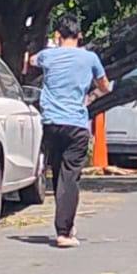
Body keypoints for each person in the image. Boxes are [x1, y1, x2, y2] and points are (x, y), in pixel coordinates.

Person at [29, 14, 109, 248]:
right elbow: (105, 86)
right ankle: (64, 231)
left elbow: (31, 60)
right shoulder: (90, 58)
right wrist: (91, 96)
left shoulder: (48, 56)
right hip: (76, 124)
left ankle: (63, 223)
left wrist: (46, 52)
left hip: (51, 124)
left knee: (58, 173)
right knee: (70, 177)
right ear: (80, 36)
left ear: (57, 36)